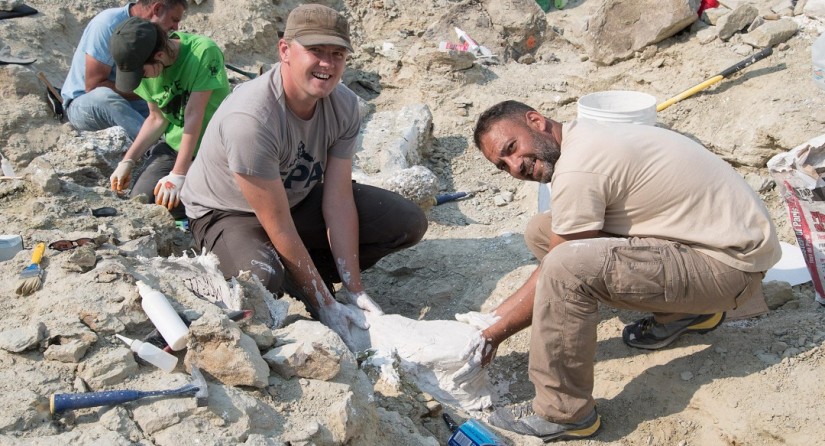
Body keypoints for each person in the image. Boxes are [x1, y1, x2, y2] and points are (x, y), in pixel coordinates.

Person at [457, 100, 781, 441]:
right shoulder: (583, 137)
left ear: (536, 122)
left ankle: (564, 413)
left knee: (566, 267)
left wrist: (489, 333)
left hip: (729, 267)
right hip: (716, 245)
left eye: (512, 148)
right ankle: (686, 314)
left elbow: (560, 261)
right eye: (502, 165)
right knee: (542, 230)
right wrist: (488, 323)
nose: (514, 166)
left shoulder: (580, 167)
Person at [179, 4, 428, 349]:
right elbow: (277, 222)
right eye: (315, 51)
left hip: (295, 198)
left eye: (337, 54)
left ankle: (306, 275)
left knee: (406, 221)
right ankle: (293, 279)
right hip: (228, 211)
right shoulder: (251, 119)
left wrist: (354, 290)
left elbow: (338, 200)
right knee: (262, 280)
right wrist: (324, 303)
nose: (327, 64)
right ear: (285, 50)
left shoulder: (344, 106)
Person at [108, 17, 230, 219]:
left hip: (213, 149)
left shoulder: (203, 53)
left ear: (160, 55)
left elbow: (194, 115)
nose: (141, 80)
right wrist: (128, 160)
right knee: (143, 201)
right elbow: (156, 118)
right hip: (176, 147)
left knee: (178, 205)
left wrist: (179, 174)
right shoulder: (144, 68)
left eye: (143, 74)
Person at [61, 0, 187, 141]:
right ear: (157, 9)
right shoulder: (107, 25)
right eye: (174, 20)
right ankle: (154, 147)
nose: (176, 27)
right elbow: (93, 86)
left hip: (130, 101)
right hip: (83, 104)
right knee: (105, 97)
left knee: (175, 109)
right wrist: (152, 92)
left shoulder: (153, 32)